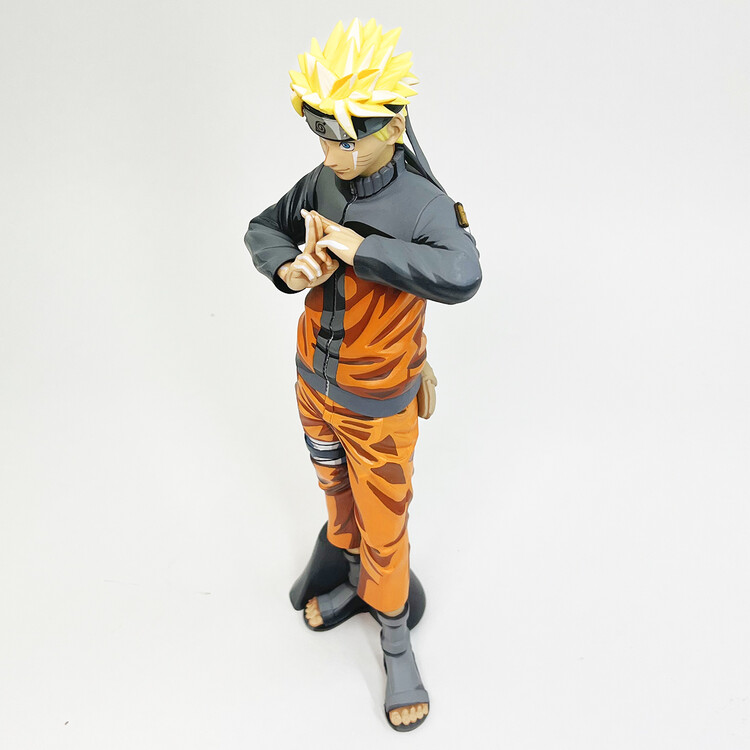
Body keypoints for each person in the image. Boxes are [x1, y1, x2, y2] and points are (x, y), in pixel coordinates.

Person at [244, 18, 481, 731]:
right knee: (333, 490)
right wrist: (291, 268)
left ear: (394, 127)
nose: (335, 155)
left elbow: (463, 272)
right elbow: (262, 227)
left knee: (386, 524)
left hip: (378, 401)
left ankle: (396, 639)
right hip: (313, 386)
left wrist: (360, 248)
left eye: (349, 139)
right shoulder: (320, 180)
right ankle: (349, 578)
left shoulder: (423, 204)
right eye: (323, 136)